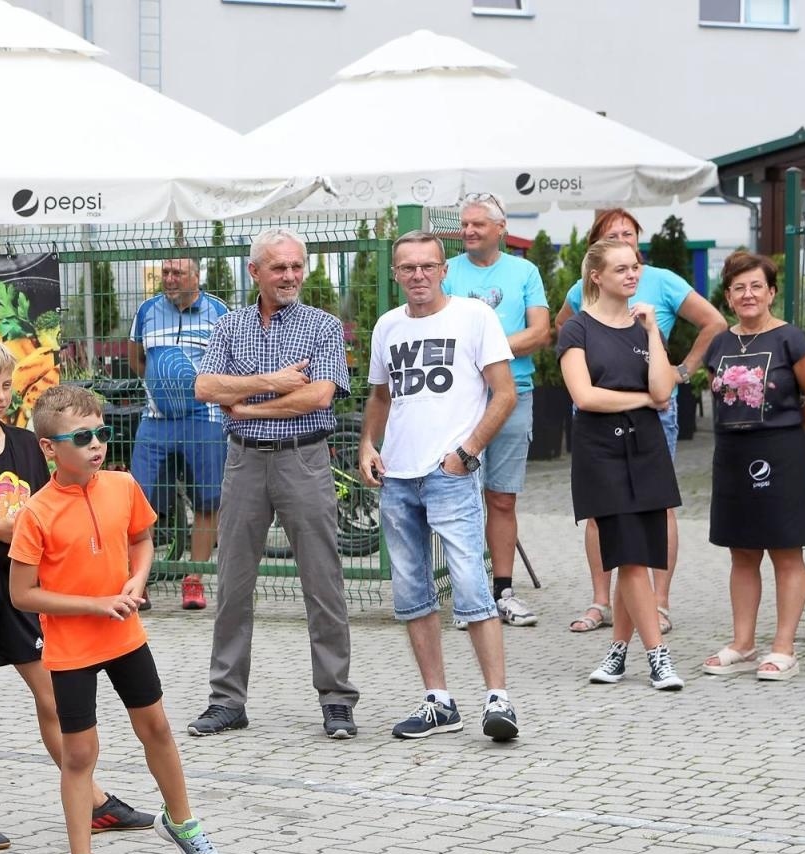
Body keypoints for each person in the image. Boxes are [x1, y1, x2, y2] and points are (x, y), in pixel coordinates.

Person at [0, 339, 153, 850]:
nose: (0, 395)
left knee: (50, 693)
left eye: (6, 385)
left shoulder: (28, 445)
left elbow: (53, 506)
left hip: (23, 587)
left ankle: (93, 802)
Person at [8, 384, 222, 854]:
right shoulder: (36, 513)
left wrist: (137, 581)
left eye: (101, 432)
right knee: (80, 754)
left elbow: (141, 539)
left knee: (157, 728)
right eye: (82, 437)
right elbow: (21, 593)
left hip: (125, 636)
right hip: (72, 647)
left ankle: (181, 820)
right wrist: (92, 605)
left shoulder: (124, 486)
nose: (97, 444)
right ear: (49, 449)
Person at [191, 227, 360, 740]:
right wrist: (274, 382)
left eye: (296, 267)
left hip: (304, 461)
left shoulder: (323, 326)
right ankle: (227, 700)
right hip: (243, 463)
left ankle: (335, 698)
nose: (290, 276)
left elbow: (320, 397)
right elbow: (203, 386)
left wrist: (242, 404)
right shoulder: (228, 326)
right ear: (255, 273)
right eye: (279, 267)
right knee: (234, 584)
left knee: (323, 583)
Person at [358, 231, 520, 742]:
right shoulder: (388, 326)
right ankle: (439, 701)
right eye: (408, 268)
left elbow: (505, 394)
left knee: (471, 582)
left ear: (444, 269)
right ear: (397, 274)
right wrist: (367, 444)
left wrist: (466, 453)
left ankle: (498, 698)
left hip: (449, 472)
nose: (419, 275)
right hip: (398, 477)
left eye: (428, 266)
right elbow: (380, 396)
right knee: (410, 589)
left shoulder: (474, 317)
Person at [555, 209, 727, 636]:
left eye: (628, 237)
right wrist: (646, 397)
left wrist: (680, 372)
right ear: (597, 268)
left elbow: (711, 324)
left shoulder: (658, 291)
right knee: (604, 514)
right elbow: (582, 379)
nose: (629, 262)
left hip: (652, 416)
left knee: (654, 509)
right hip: (611, 416)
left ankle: (658, 604)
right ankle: (603, 603)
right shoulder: (580, 309)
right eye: (613, 239)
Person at [556, 240, 684, 691]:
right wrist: (643, 401)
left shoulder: (644, 327)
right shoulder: (577, 330)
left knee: (641, 553)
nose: (632, 276)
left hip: (646, 447)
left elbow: (663, 390)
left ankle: (616, 652)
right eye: (621, 269)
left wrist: (651, 333)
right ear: (597, 276)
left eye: (635, 268)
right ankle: (658, 657)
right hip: (601, 451)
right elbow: (585, 396)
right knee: (629, 556)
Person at [700, 253, 805, 681]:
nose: (748, 294)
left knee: (786, 550)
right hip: (732, 456)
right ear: (728, 297)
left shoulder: (792, 339)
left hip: (781, 454)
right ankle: (742, 643)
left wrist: (791, 433)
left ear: (771, 292)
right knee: (742, 552)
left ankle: (784, 648)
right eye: (739, 287)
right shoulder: (719, 343)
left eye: (756, 286)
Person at [439, 193, 551, 627]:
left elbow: (540, 331)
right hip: (461, 398)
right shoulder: (449, 271)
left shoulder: (525, 271)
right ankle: (468, 595)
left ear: (500, 229)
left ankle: (502, 591)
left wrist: (487, 354)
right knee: (456, 494)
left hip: (514, 394)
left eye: (478, 225)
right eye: (464, 225)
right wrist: (490, 355)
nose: (468, 231)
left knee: (502, 498)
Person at [128, 258, 230, 611]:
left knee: (208, 500)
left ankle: (194, 580)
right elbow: (137, 360)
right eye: (165, 272)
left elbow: (227, 364)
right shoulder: (146, 310)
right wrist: (164, 388)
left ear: (195, 275)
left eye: (177, 273)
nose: (169, 279)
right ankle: (138, 583)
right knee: (138, 502)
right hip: (155, 420)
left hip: (205, 418)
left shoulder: (219, 311)